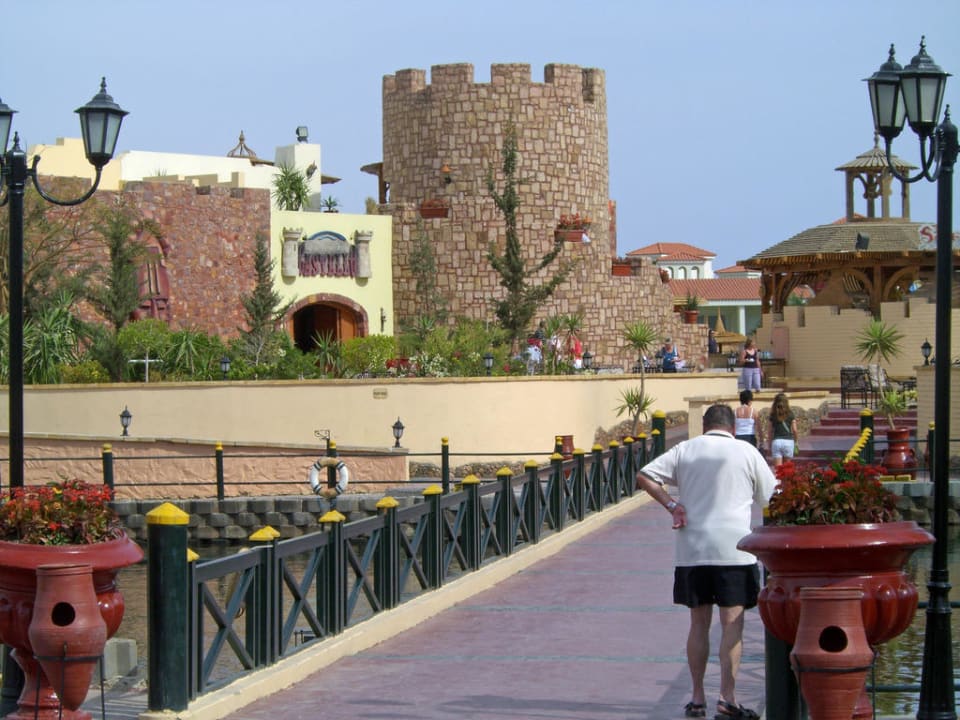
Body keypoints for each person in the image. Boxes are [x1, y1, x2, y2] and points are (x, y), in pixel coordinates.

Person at [635, 404, 776, 720]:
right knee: (732, 624)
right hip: (735, 550)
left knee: (698, 623)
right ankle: (727, 698)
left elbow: (644, 476)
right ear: (733, 427)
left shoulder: (685, 449)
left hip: (693, 550)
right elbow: (772, 495)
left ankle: (697, 698)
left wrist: (673, 505)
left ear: (704, 424)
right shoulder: (746, 452)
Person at [768, 392, 798, 466]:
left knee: (778, 470)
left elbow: (770, 431)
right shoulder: (790, 414)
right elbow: (795, 430)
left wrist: (769, 444)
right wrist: (796, 441)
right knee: (787, 471)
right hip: (788, 441)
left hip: (776, 441)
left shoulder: (773, 415)